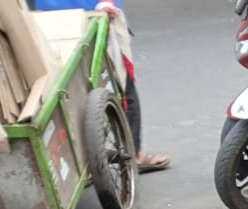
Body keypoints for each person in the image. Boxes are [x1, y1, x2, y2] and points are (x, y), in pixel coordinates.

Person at [28, 0, 169, 171]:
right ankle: (135, 154)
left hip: (49, 20)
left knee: (66, 92)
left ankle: (81, 162)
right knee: (122, 87)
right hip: (91, 18)